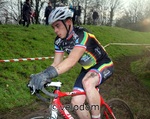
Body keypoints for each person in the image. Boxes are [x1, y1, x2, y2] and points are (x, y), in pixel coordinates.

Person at [28, 7, 114, 119]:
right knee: (76, 102)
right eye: (53, 27)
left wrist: (47, 75)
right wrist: (41, 75)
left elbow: (71, 61)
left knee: (88, 83)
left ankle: (96, 116)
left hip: (103, 63)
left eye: (57, 25)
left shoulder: (83, 34)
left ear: (68, 22)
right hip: (87, 69)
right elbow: (56, 64)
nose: (55, 30)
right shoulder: (58, 41)